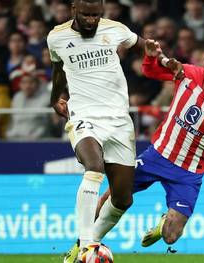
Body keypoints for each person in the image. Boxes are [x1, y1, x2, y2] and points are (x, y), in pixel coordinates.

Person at [94, 40, 204, 249]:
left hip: (188, 172)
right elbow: (150, 72)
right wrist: (150, 56)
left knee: (171, 237)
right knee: (112, 194)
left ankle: (164, 222)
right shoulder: (188, 73)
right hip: (156, 156)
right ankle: (83, 244)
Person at [46, 0, 145, 262]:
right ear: (73, 9)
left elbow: (145, 46)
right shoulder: (57, 37)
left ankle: (84, 245)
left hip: (119, 121)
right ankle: (90, 246)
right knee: (94, 166)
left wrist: (162, 57)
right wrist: (56, 97)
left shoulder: (115, 29)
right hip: (84, 115)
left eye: (96, 15)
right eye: (86, 14)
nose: (91, 20)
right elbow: (58, 69)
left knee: (123, 200)